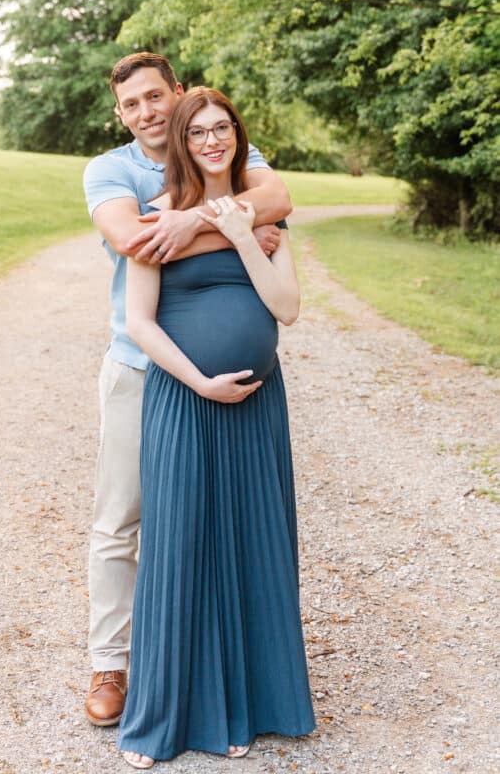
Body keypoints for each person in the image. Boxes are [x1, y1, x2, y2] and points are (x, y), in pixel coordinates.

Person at [83, 53, 292, 727]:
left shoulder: (218, 139)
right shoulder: (111, 170)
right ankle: (109, 665)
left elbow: (278, 203)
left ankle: (214, 663)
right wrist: (230, 229)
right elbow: (130, 239)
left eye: (154, 96)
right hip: (138, 370)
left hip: (227, 394)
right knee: (122, 519)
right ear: (119, 115)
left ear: (175, 93)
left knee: (208, 524)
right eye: (131, 104)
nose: (146, 111)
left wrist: (186, 223)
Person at [117, 87, 315, 768]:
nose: (210, 140)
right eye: (197, 130)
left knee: (251, 543)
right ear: (180, 139)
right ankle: (166, 719)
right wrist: (198, 380)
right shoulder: (155, 220)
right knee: (180, 547)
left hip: (258, 405)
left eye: (221, 127)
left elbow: (286, 308)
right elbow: (139, 322)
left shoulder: (262, 218)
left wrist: (237, 234)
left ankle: (253, 707)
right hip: (183, 399)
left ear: (237, 133)